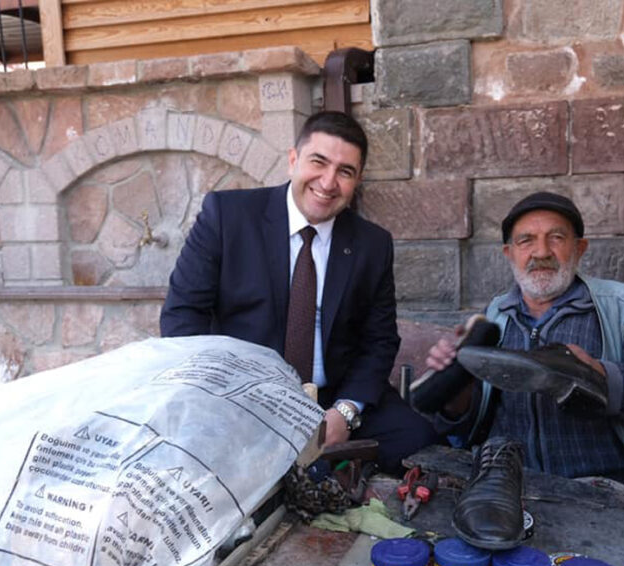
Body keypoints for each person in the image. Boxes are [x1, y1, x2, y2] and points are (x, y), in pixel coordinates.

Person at [161, 110, 437, 473]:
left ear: (358, 180)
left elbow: (379, 340)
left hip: (333, 398)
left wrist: (346, 412)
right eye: (318, 162)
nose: (328, 182)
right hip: (244, 397)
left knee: (421, 445)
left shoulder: (372, 244)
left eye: (345, 172)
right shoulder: (228, 216)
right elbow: (182, 317)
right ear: (293, 160)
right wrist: (221, 397)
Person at [424, 192, 624, 508]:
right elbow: (468, 430)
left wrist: (600, 375)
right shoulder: (494, 317)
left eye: (556, 238)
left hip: (603, 490)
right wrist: (458, 392)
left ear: (579, 248)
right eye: (526, 241)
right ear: (509, 253)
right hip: (512, 487)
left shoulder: (621, 309)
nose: (541, 252)